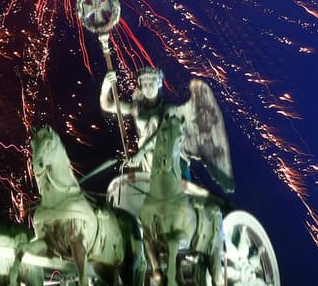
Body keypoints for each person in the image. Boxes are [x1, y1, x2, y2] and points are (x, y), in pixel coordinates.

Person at [100, 66, 235, 195]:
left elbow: (162, 133)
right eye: (144, 84)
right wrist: (107, 83)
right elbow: (108, 105)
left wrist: (141, 152)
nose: (147, 88)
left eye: (151, 83)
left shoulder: (169, 108)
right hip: (144, 159)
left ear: (159, 84)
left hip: (164, 156)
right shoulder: (137, 108)